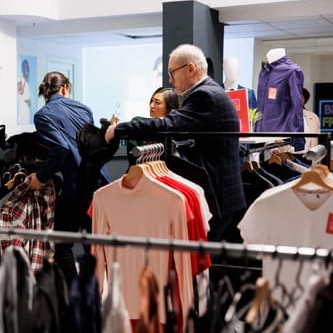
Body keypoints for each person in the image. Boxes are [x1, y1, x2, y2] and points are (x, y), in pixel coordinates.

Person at [105, 44, 247, 241]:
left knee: (196, 261)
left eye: (172, 72)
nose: (170, 80)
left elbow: (169, 124)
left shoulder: (204, 95)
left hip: (217, 195)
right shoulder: (213, 91)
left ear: (190, 69)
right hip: (223, 193)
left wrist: (118, 130)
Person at [28, 71, 102, 284]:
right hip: (98, 183)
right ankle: (93, 294)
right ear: (64, 88)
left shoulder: (43, 115)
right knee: (93, 242)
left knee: (61, 242)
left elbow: (60, 148)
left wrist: (41, 177)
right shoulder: (84, 109)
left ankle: (74, 295)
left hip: (75, 185)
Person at [126, 87, 179, 166]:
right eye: (151, 101)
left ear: (169, 108)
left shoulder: (176, 131)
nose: (151, 105)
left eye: (157, 103)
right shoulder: (138, 122)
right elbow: (134, 157)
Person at [17, 59, 32, 124]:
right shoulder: (20, 79)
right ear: (22, 69)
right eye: (25, 68)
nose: (26, 70)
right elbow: (20, 92)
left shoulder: (27, 82)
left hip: (27, 110)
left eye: (27, 68)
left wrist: (29, 102)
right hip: (22, 109)